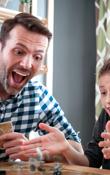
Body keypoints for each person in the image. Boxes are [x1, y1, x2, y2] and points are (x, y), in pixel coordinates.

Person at [21, 53, 110, 175]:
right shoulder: (106, 117)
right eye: (103, 92)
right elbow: (90, 163)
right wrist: (66, 148)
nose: (108, 100)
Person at [0, 13, 82, 161]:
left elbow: (77, 150)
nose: (26, 64)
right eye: (19, 52)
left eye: (37, 57)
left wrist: (37, 152)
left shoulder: (38, 95)